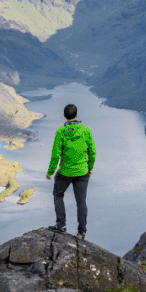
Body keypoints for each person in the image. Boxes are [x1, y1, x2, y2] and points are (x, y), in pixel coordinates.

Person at [46, 103, 96, 240]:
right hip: (82, 172)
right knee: (81, 202)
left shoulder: (60, 131)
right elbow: (92, 151)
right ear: (77, 115)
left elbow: (56, 155)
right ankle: (81, 232)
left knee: (58, 194)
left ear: (64, 115)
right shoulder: (85, 130)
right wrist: (90, 168)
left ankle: (61, 225)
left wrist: (50, 172)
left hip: (65, 172)